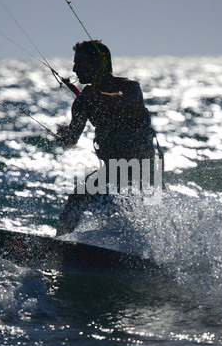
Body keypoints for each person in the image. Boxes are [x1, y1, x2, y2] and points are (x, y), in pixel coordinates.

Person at [55, 40, 163, 236]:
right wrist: (63, 135)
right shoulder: (82, 102)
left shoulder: (130, 87)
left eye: (80, 61)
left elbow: (121, 98)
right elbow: (72, 140)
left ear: (98, 63)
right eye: (74, 62)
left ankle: (152, 253)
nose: (74, 68)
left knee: (141, 212)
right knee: (78, 198)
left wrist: (96, 96)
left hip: (143, 170)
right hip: (112, 171)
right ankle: (58, 244)